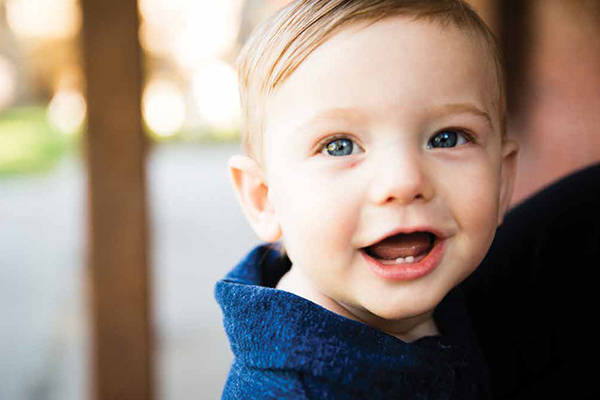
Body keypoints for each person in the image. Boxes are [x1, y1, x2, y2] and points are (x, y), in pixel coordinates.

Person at [215, 0, 519, 398]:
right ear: (264, 199)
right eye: (340, 146)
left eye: (447, 138)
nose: (405, 181)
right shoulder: (287, 391)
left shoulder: (477, 303)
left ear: (502, 181)